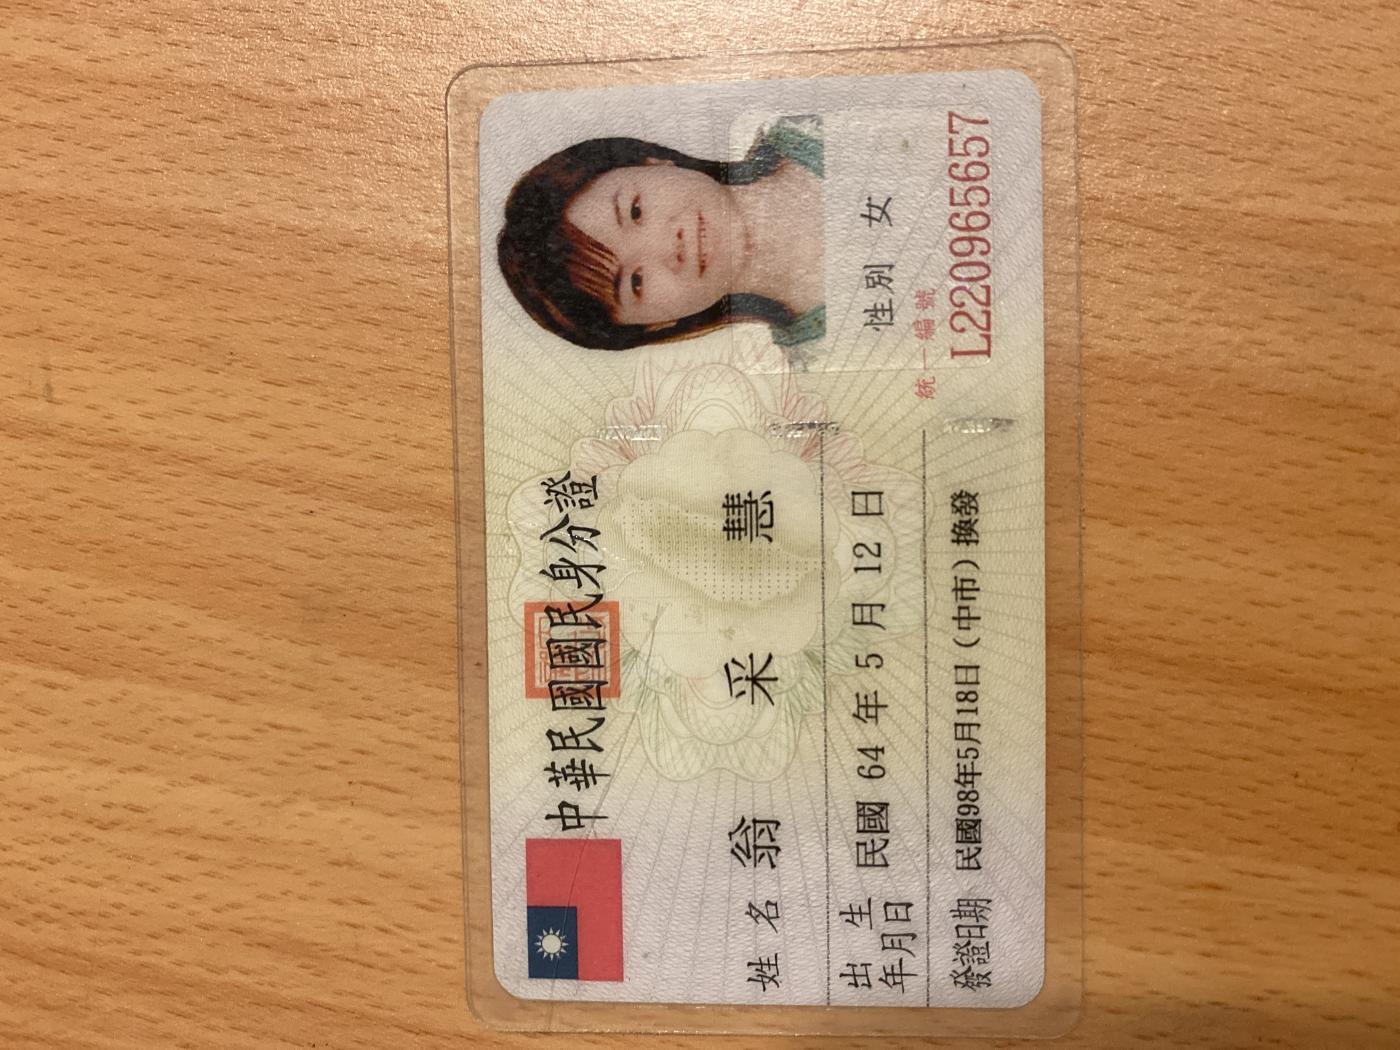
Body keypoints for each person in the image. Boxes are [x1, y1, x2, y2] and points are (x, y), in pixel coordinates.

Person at [498, 115, 825, 355]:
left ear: (653, 162)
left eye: (635, 211)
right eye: (636, 282)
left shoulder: (814, 120)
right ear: (657, 324)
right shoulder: (820, 360)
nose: (670, 246)